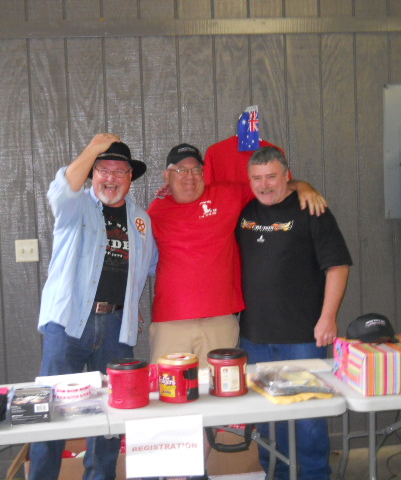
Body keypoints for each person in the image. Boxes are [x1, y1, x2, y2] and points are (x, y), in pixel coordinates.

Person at [29, 134, 158, 480]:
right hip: (68, 325)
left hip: (116, 328)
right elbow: (61, 190)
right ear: (92, 174)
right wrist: (91, 149)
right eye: (103, 170)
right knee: (51, 412)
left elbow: (150, 267)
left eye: (120, 171)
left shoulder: (141, 221)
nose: (111, 178)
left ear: (130, 178)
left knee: (111, 419)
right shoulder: (75, 207)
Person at [147, 143, 326, 368]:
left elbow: (269, 187)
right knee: (168, 387)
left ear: (203, 173)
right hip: (171, 321)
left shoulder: (227, 194)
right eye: (181, 170)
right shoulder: (155, 211)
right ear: (167, 175)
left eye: (195, 170)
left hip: (220, 321)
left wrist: (302, 186)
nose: (189, 176)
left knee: (219, 388)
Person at [236, 146, 352, 480]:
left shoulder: (310, 209)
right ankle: (278, 475)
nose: (264, 185)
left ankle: (314, 476)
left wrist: (328, 317)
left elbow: (338, 265)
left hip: (302, 337)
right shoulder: (244, 211)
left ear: (287, 176)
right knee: (268, 421)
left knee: (308, 421)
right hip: (255, 338)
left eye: (272, 176)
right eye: (257, 178)